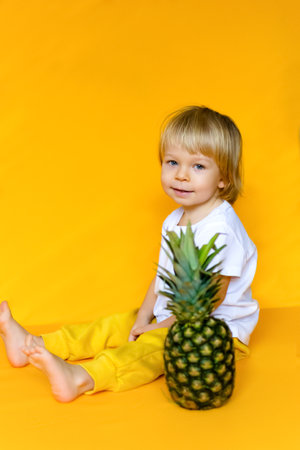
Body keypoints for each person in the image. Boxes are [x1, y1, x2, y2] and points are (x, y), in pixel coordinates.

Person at [0, 105, 259, 403]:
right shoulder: (174, 219)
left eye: (198, 166)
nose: (182, 176)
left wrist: (155, 328)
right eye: (173, 162)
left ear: (224, 178)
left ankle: (83, 378)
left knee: (146, 350)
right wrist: (144, 317)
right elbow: (163, 275)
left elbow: (209, 300)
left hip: (215, 334)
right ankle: (33, 345)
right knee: (112, 326)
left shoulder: (223, 230)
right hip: (169, 316)